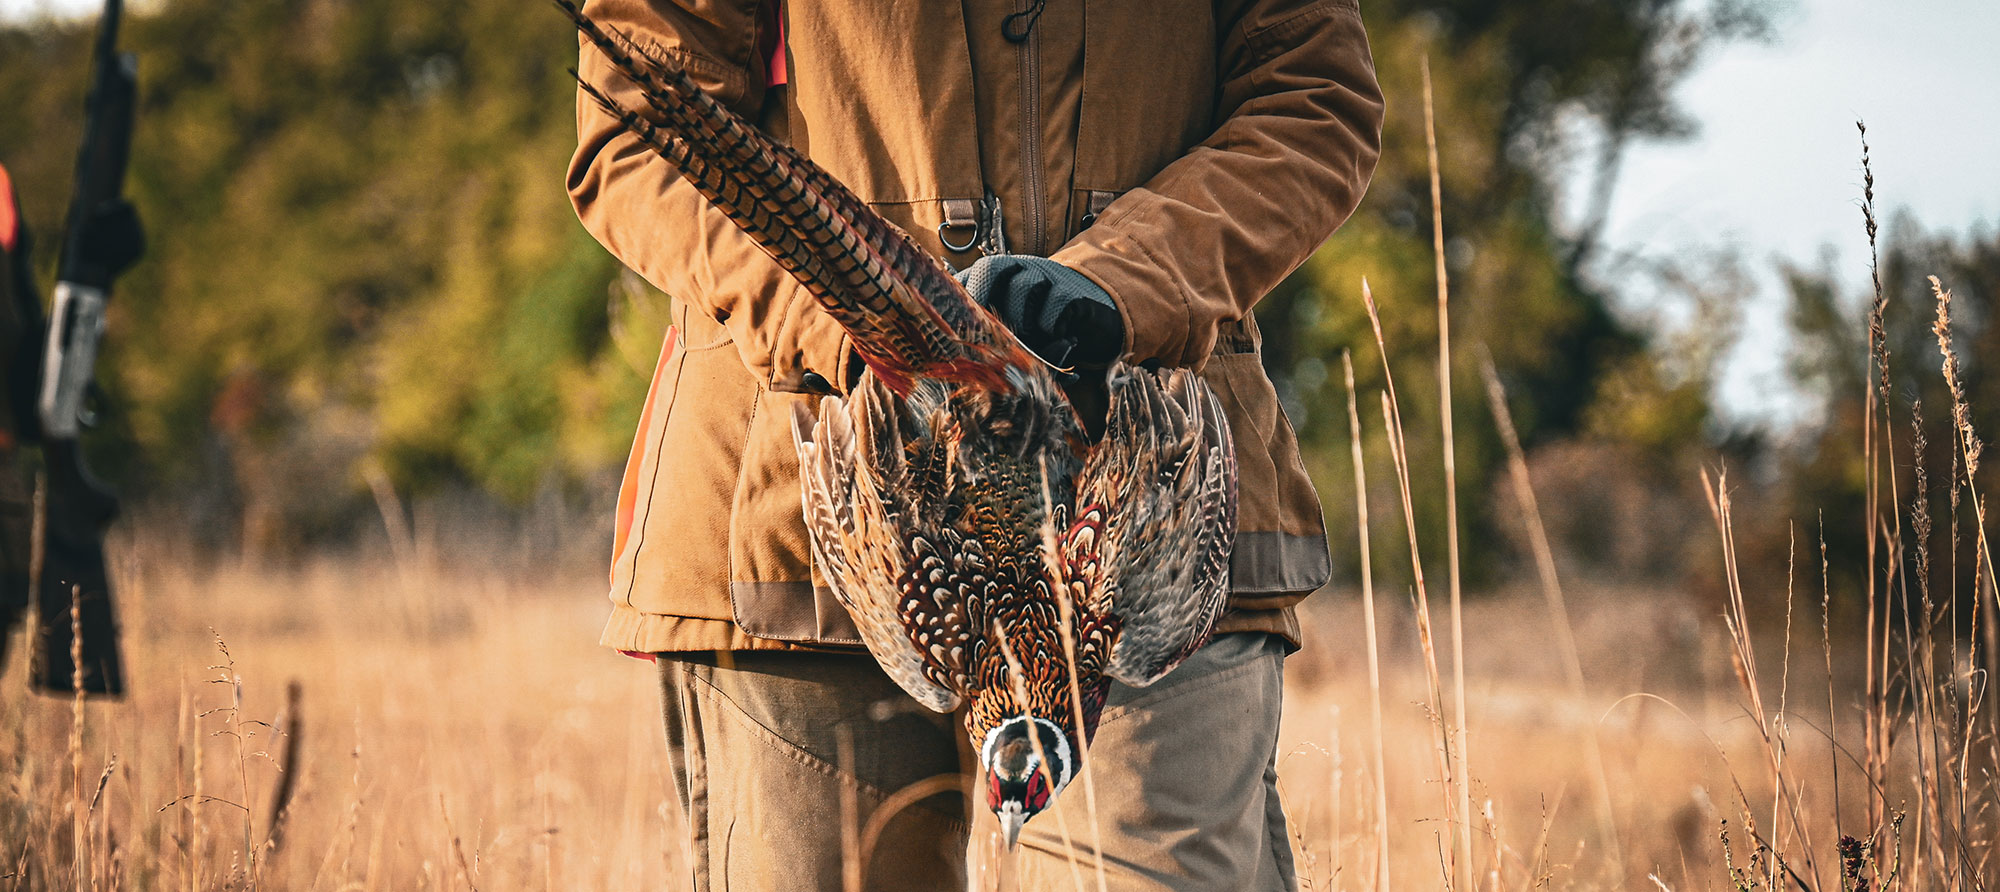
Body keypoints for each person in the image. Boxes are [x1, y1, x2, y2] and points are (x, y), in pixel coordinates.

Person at [567, 1, 1383, 888]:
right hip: (802, 516)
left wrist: (1118, 289)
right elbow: (638, 129)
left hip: (1148, 535)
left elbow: (1313, 99)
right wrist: (868, 329)